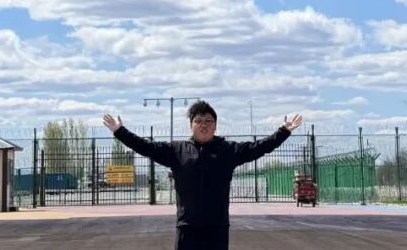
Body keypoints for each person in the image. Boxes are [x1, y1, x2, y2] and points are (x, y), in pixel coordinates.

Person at [103, 100, 303, 250]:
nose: (204, 125)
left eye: (209, 121)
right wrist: (120, 131)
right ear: (191, 125)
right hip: (187, 227)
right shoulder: (177, 151)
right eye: (198, 121)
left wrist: (283, 131)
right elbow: (146, 147)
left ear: (215, 125)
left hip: (217, 227)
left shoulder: (228, 150)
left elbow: (259, 147)